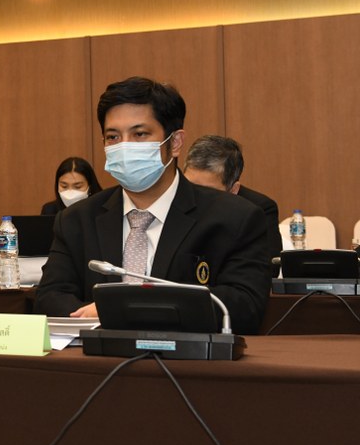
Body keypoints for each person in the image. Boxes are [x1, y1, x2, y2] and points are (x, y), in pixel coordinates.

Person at [34, 77, 270, 335]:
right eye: (113, 137)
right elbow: (50, 298)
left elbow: (244, 307)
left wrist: (124, 311)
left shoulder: (234, 218)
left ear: (175, 142)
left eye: (140, 134)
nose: (124, 146)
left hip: (187, 359)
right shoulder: (76, 220)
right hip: (99, 356)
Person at [183, 135, 282, 272]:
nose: (196, 196)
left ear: (233, 190)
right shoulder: (174, 199)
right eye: (190, 186)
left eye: (207, 191)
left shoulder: (259, 209)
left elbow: (268, 269)